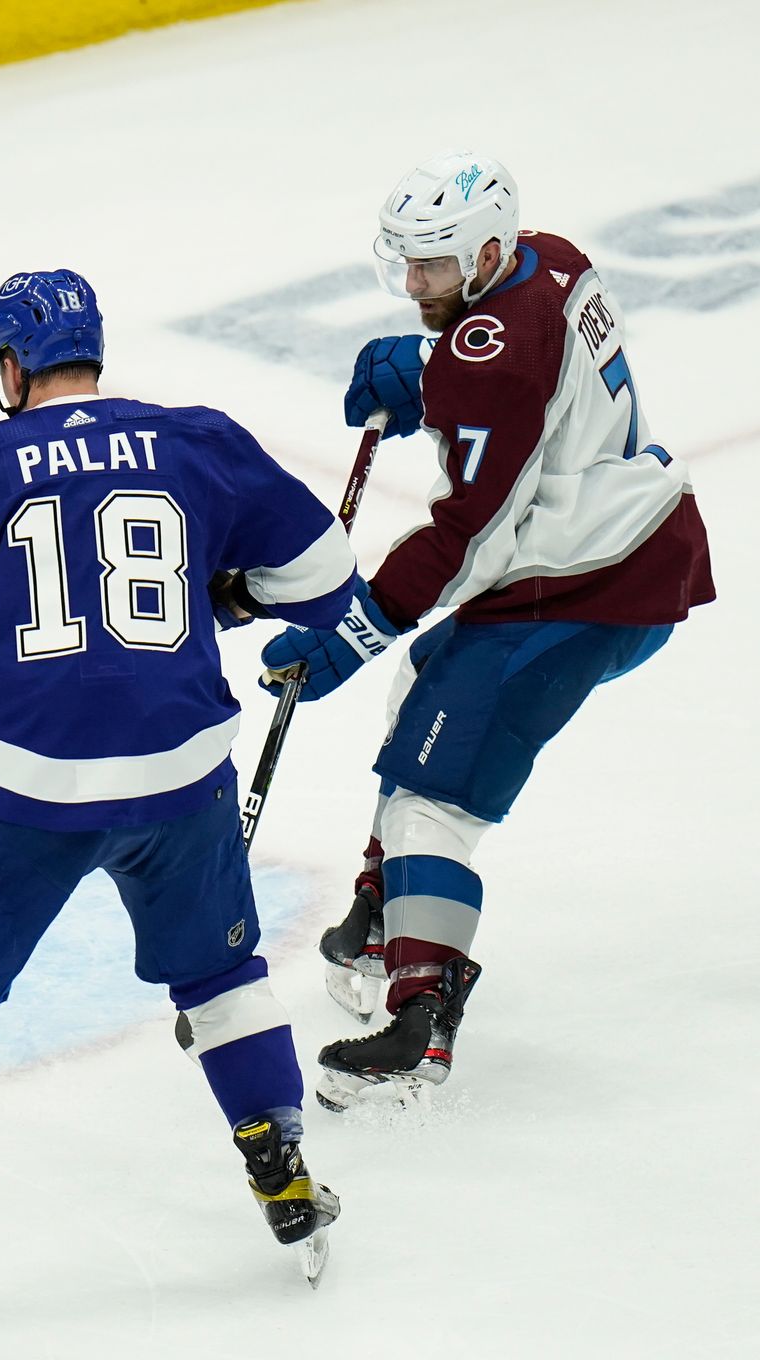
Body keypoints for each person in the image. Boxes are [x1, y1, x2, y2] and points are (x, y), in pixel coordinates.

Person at [0, 271, 357, 1327]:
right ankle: (281, 1174)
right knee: (224, 977)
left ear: (11, 368)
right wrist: (222, 593)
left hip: (23, 794)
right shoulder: (197, 439)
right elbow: (326, 577)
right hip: (181, 779)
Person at [261, 153, 714, 1110]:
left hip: (581, 585)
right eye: (409, 266)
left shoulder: (488, 357)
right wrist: (429, 374)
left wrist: (351, 631)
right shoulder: (552, 258)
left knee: (434, 797)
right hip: (613, 545)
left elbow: (468, 536)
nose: (415, 286)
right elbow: (523, 368)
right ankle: (387, 907)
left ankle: (420, 1021)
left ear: (488, 250)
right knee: (425, 682)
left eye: (432, 268)